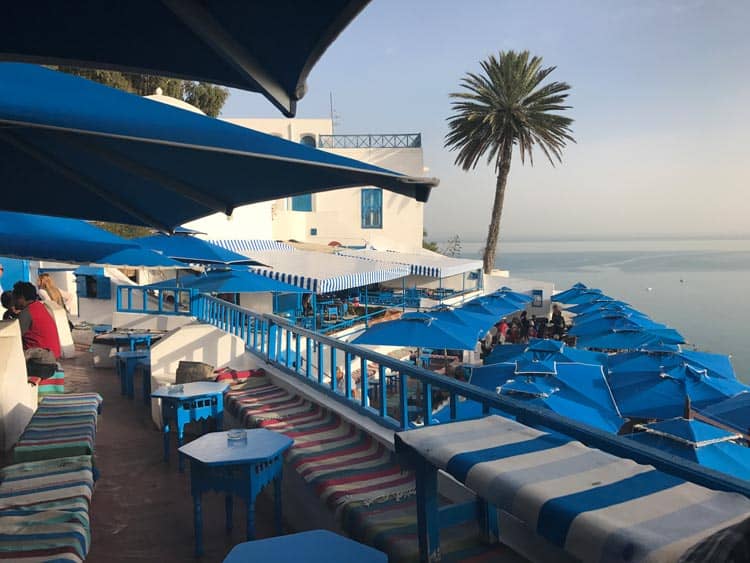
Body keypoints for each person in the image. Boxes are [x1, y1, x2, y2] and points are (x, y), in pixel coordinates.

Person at [12, 281, 61, 360]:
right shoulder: (41, 307)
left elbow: (14, 337)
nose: (14, 302)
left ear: (21, 298)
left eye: (14, 299)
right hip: (53, 355)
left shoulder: (26, 312)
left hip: (40, 359)